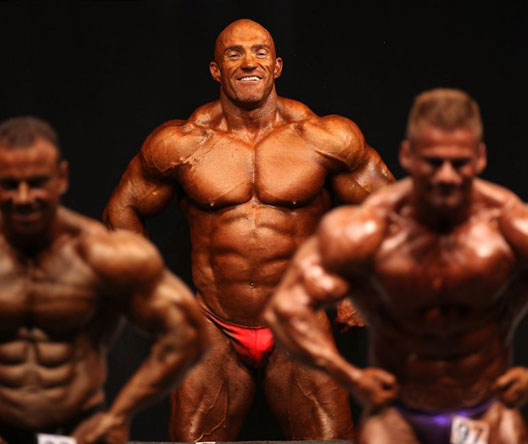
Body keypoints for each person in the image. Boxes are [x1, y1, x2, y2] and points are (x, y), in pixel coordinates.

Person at [103, 18, 393, 441]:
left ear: (277, 66)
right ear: (215, 70)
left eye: (260, 52)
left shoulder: (323, 138)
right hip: (214, 325)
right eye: (233, 54)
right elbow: (122, 210)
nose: (248, 62)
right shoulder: (182, 144)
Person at [264, 88, 528, 444]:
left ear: (480, 157)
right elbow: (286, 308)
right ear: (408, 156)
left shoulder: (515, 228)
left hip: (484, 414)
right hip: (399, 418)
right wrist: (351, 376)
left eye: (460, 163)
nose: (446, 176)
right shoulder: (370, 230)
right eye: (434, 162)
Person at [0, 116, 209, 444]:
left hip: (80, 431)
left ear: (61, 178)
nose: (23, 198)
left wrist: (120, 414)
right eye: (9, 185)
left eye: (37, 183)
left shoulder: (97, 255)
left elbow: (188, 332)